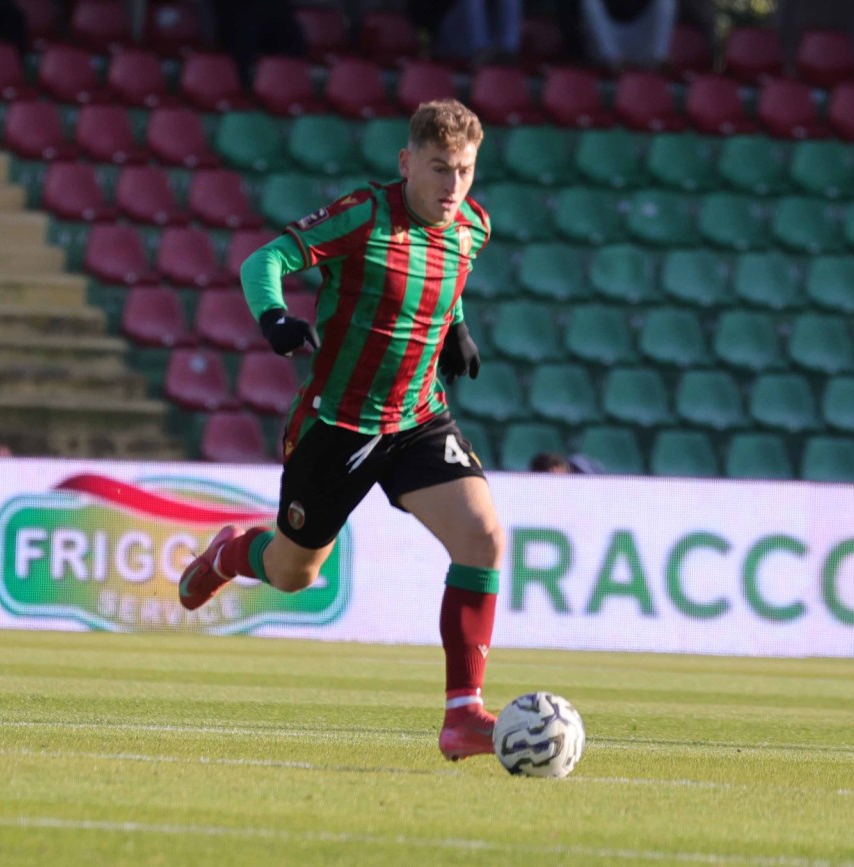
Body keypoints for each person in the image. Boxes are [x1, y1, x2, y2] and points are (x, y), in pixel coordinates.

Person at [179, 99, 504, 763]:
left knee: (484, 538)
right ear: (406, 161)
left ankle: (462, 714)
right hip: (338, 424)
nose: (452, 186)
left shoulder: (472, 225)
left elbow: (452, 275)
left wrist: (458, 326)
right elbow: (263, 261)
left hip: (417, 416)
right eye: (439, 168)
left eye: (465, 170)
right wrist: (272, 317)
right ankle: (229, 553)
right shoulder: (364, 214)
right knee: (293, 572)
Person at [580, 0, 678, 71]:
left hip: (642, 46)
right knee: (591, 2)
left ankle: (659, 57)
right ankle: (614, 59)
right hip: (608, 48)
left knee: (666, 2)